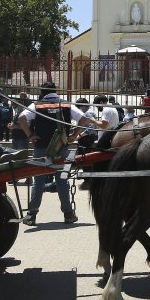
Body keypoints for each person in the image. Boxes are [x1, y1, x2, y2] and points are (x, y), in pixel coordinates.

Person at [18, 82, 97, 225]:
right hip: (62, 147)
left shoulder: (37, 105)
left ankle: (31, 215)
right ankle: (68, 214)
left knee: (39, 181)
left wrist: (30, 136)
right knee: (62, 181)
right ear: (55, 91)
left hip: (41, 147)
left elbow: (21, 118)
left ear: (42, 92)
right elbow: (84, 118)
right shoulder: (66, 104)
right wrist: (74, 135)